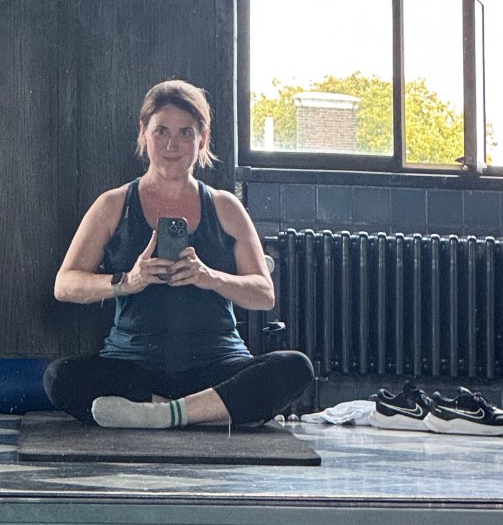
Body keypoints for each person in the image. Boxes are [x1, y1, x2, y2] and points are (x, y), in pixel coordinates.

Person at [43, 80, 313, 429]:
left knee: (295, 367)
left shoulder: (225, 207)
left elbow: (264, 294)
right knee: (59, 377)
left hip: (218, 365)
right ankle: (200, 413)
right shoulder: (113, 204)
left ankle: (159, 413)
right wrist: (127, 281)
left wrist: (209, 277)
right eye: (162, 131)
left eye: (186, 133)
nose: (172, 144)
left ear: (202, 139)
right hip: (134, 364)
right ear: (143, 133)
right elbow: (65, 284)